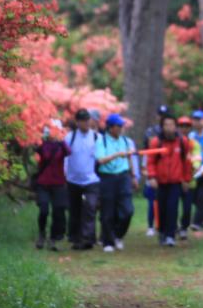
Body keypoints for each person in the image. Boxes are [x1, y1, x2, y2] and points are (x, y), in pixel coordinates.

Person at [144, 114, 194, 247]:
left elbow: (187, 162)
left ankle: (170, 235)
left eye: (171, 125)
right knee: (161, 208)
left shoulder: (183, 142)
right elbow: (151, 161)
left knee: (173, 207)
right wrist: (152, 177)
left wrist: (186, 179)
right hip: (160, 181)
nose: (169, 128)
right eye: (166, 125)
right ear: (162, 127)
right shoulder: (156, 142)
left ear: (175, 126)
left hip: (176, 181)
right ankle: (162, 232)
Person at [95, 113, 137, 252]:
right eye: (118, 126)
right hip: (107, 178)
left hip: (123, 177)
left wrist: (133, 176)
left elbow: (129, 158)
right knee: (108, 211)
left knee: (128, 210)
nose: (121, 129)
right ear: (111, 127)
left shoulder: (125, 141)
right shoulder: (102, 141)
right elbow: (100, 160)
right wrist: (117, 155)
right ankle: (108, 241)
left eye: (121, 126)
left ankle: (118, 235)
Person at [63, 108, 101, 250]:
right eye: (83, 120)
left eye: (87, 120)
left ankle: (88, 238)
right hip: (73, 179)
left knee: (90, 207)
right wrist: (64, 173)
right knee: (75, 210)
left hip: (91, 179)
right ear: (77, 122)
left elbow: (100, 157)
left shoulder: (97, 137)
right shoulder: (69, 137)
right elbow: (65, 157)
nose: (86, 123)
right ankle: (75, 237)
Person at [33, 123, 69, 250]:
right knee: (44, 210)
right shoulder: (43, 145)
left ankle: (53, 238)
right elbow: (36, 150)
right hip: (43, 183)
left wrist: (61, 140)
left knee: (58, 211)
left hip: (58, 183)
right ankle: (42, 234)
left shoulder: (61, 146)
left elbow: (69, 152)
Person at [142, 104, 169, 237]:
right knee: (152, 200)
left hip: (166, 169)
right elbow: (146, 151)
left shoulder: (172, 132)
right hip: (153, 166)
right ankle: (151, 225)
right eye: (160, 115)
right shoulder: (150, 132)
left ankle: (165, 226)